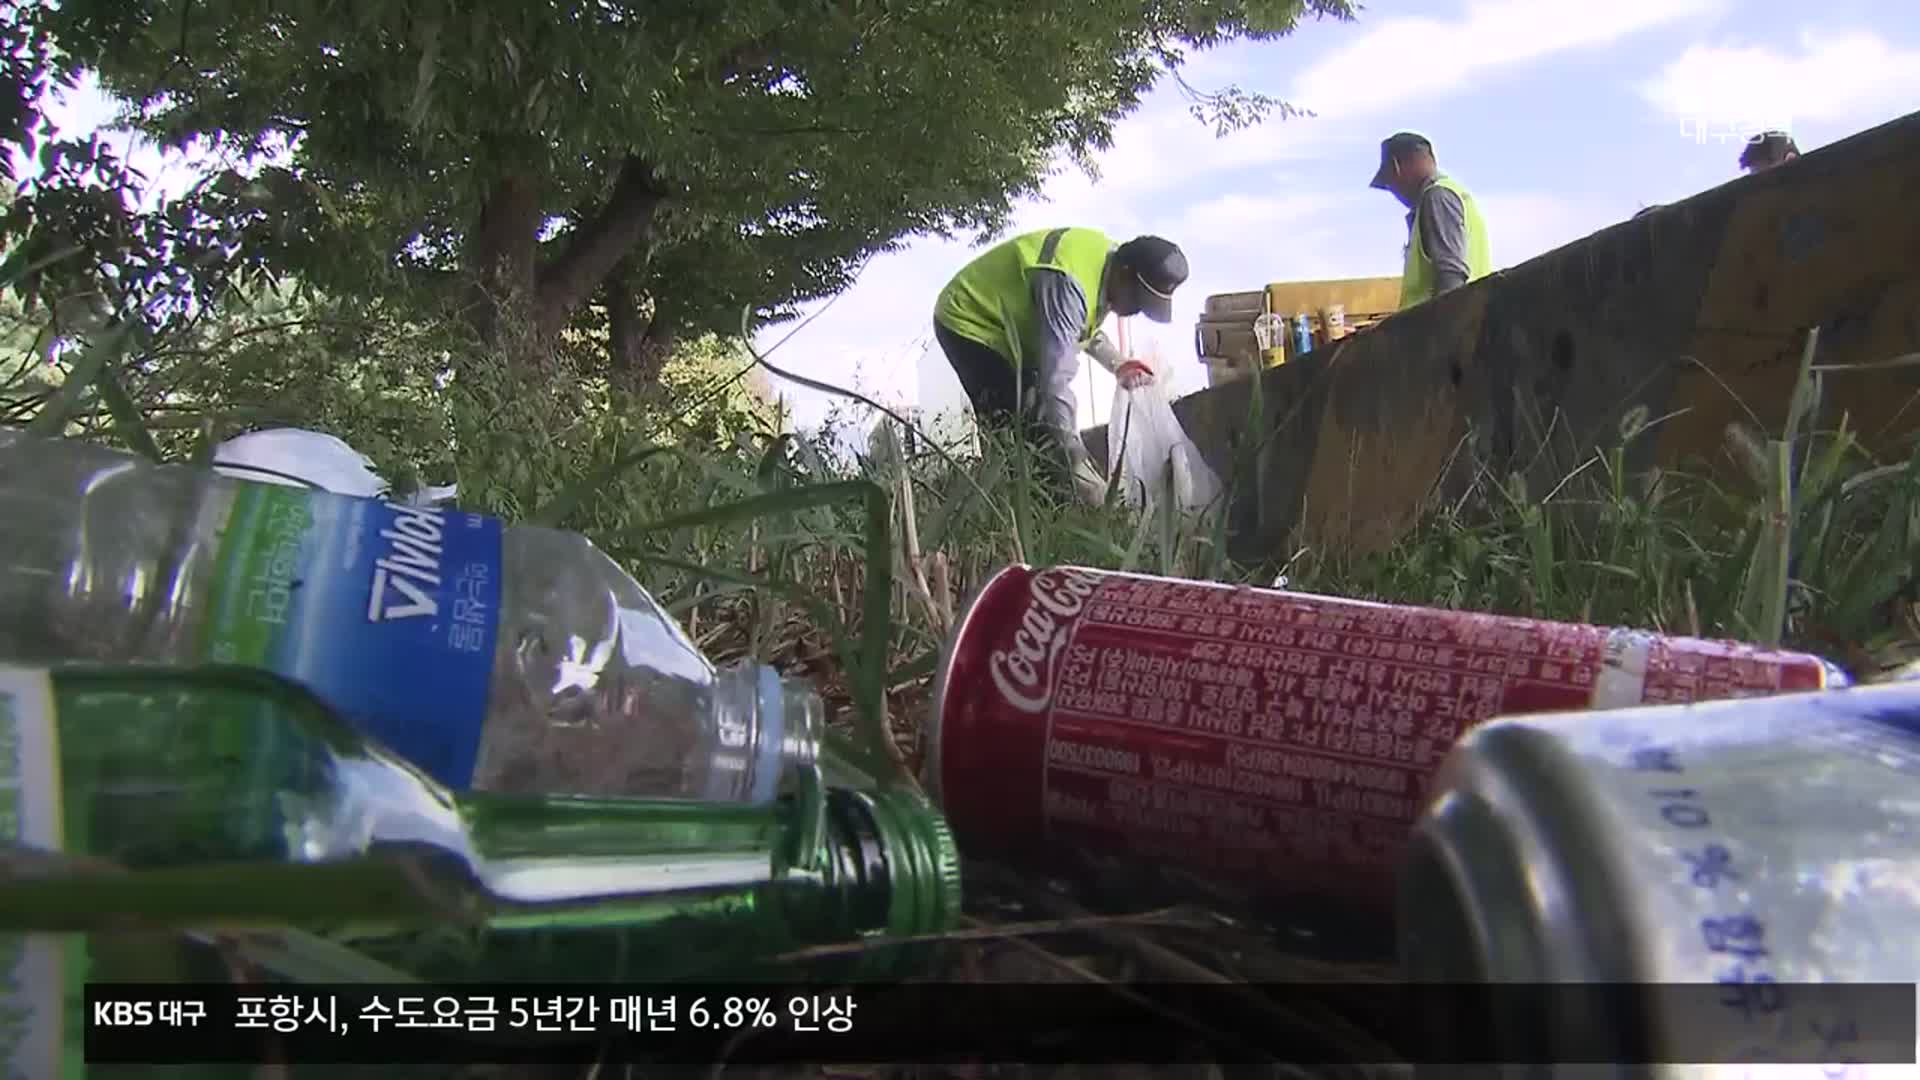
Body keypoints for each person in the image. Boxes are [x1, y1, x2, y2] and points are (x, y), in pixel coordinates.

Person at [931, 228, 1190, 504]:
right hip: (971, 319)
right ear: (1126, 273)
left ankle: (1046, 509)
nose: (1136, 311)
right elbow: (1054, 382)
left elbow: (1077, 328)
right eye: (1138, 301)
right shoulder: (1068, 282)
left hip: (1012, 331)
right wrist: (1076, 463)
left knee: (1038, 432)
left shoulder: (1110, 267)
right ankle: (1004, 515)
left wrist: (1118, 364)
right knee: (1013, 431)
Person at [1369, 132, 1491, 311]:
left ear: (1397, 169)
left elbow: (1452, 277)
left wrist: (1441, 331)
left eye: (1389, 184)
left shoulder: (1437, 197)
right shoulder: (1456, 194)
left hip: (1448, 329)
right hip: (1474, 322)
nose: (1394, 193)